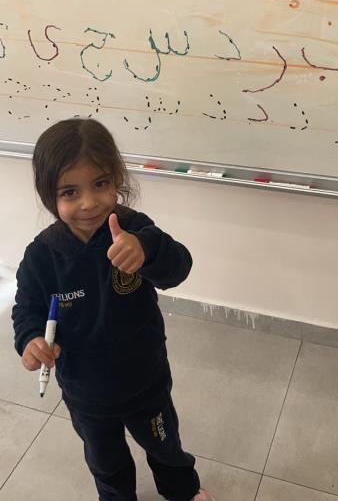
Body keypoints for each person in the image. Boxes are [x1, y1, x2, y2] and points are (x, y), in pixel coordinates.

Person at [12, 117, 215, 501]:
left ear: (117, 179)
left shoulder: (134, 229)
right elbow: (27, 308)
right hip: (85, 392)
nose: (89, 202)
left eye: (100, 184)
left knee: (166, 448)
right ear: (49, 196)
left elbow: (179, 268)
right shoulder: (41, 256)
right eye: (70, 191)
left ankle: (183, 490)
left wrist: (147, 250)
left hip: (146, 380)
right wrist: (31, 339)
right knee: (106, 464)